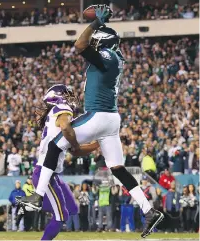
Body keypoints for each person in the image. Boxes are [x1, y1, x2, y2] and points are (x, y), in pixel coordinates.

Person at [17, 5, 163, 238]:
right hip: (111, 119)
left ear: (102, 41)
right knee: (118, 169)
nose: (93, 41)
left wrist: (96, 23)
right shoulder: (115, 57)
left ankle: (37, 195)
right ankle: (148, 210)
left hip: (99, 115)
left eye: (97, 38)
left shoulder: (108, 55)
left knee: (55, 145)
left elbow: (79, 45)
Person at [16, 85, 97, 240]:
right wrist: (76, 143)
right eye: (67, 95)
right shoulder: (62, 108)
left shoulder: (56, 115)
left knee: (72, 208)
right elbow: (67, 129)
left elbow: (76, 150)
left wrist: (97, 144)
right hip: (45, 174)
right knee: (61, 216)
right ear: (58, 97)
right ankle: (32, 206)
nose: (71, 98)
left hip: (52, 175)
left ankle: (32, 204)